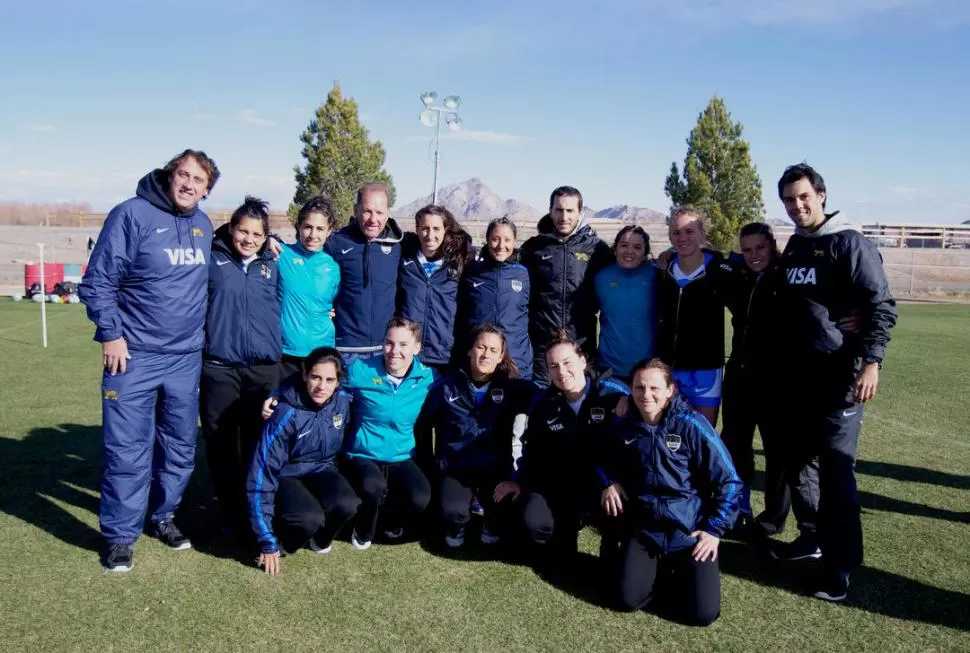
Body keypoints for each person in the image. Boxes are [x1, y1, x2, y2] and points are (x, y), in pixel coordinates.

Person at [79, 148, 220, 572]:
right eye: (184, 174)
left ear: (207, 190)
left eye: (199, 181)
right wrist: (111, 334)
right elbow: (98, 280)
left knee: (179, 446)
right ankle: (120, 537)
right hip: (134, 357)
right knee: (128, 451)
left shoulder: (202, 225)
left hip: (184, 359)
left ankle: (162, 516)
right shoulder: (131, 215)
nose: (189, 184)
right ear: (169, 174)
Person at [774, 163, 896, 602]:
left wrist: (871, 362)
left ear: (821, 195)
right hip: (798, 378)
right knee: (798, 464)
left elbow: (881, 305)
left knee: (836, 471)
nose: (797, 205)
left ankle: (840, 566)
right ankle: (812, 537)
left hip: (840, 377)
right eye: (789, 199)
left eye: (803, 197)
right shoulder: (795, 245)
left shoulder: (851, 242)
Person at [599, 358, 740, 626]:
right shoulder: (624, 424)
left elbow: (730, 480)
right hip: (645, 529)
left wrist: (714, 530)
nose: (646, 395)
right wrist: (608, 481)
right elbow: (602, 456)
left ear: (670, 390)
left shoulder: (691, 424)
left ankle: (681, 570)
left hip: (688, 529)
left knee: (703, 615)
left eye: (654, 388)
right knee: (628, 600)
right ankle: (655, 569)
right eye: (639, 388)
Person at [493, 335, 628, 562]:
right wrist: (519, 481)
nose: (561, 371)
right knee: (537, 529)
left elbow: (647, 407)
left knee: (612, 560)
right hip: (563, 483)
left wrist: (630, 400)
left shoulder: (612, 393)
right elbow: (532, 450)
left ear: (583, 362)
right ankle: (569, 524)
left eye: (567, 362)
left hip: (605, 482)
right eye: (553, 366)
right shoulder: (544, 404)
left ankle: (612, 536)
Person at [416, 324, 537, 549]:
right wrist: (430, 466)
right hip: (456, 467)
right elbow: (422, 426)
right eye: (481, 347)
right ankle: (458, 523)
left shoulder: (513, 388)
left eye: (493, 350)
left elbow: (546, 401)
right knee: (452, 511)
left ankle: (492, 523)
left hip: (495, 468)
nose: (486, 354)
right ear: (470, 350)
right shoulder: (446, 387)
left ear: (501, 356)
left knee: (506, 505)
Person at [201, 196, 281, 533]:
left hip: (262, 370)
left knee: (256, 444)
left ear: (266, 237)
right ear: (231, 228)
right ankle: (229, 512)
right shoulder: (211, 258)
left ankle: (255, 510)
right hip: (220, 367)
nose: (249, 239)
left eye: (257, 234)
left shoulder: (273, 264)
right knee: (220, 444)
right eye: (242, 231)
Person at [248, 347, 359, 575]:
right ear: (304, 374)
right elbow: (262, 475)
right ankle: (280, 543)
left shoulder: (343, 402)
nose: (321, 386)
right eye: (316, 377)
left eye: (329, 380)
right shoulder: (284, 413)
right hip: (286, 474)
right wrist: (266, 540)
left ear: (338, 382)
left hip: (322, 468)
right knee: (308, 518)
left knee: (348, 504)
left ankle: (319, 541)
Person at [718, 222, 795, 536]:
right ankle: (739, 505)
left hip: (778, 381)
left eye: (760, 248)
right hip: (739, 375)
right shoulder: (738, 274)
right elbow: (713, 261)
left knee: (778, 453)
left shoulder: (789, 276)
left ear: (772, 244)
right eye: (747, 249)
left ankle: (773, 518)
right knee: (735, 444)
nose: (754, 255)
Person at [341, 318, 435, 548]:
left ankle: (392, 521)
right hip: (363, 454)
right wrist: (279, 393)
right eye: (389, 343)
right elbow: (323, 380)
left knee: (420, 498)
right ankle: (363, 530)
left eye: (403, 345)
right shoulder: (360, 369)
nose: (395, 351)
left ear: (417, 348)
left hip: (401, 456)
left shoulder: (429, 379)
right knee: (374, 487)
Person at [520, 186, 612, 385]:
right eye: (559, 210)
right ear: (551, 211)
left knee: (578, 398)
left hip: (581, 342)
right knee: (541, 402)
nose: (564, 216)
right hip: (543, 344)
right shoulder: (534, 247)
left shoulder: (597, 249)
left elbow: (623, 268)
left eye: (570, 211)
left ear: (580, 212)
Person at [655, 206, 728, 426]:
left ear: (702, 234)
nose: (682, 237)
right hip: (669, 368)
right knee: (668, 435)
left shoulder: (720, 271)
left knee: (703, 436)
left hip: (705, 369)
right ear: (670, 237)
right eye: (676, 232)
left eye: (689, 231)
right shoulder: (663, 270)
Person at [325, 183, 404, 365]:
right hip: (344, 349)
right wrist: (269, 243)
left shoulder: (399, 244)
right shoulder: (336, 243)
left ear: (388, 212)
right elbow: (306, 257)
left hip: (385, 349)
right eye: (367, 211)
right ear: (356, 210)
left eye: (379, 212)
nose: (373, 219)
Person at [397, 205, 471, 374]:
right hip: (408, 353)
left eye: (436, 229)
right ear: (416, 229)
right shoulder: (404, 258)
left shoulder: (459, 262)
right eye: (424, 228)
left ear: (445, 230)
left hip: (444, 354)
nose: (430, 235)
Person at [457, 216, 533, 380]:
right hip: (479, 359)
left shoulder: (523, 274)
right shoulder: (472, 272)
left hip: (515, 358)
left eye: (507, 240)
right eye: (495, 239)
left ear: (514, 242)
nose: (501, 246)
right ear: (487, 240)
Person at [275, 196, 341, 379]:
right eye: (308, 227)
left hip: (322, 354)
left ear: (329, 231)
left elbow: (333, 302)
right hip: (285, 353)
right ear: (299, 227)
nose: (313, 235)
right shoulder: (281, 255)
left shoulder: (333, 267)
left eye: (320, 229)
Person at [594, 225, 658, 382]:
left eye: (637, 247)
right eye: (624, 245)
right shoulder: (601, 277)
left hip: (648, 369)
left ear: (645, 253)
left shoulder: (657, 276)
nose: (629, 251)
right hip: (609, 369)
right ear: (615, 249)